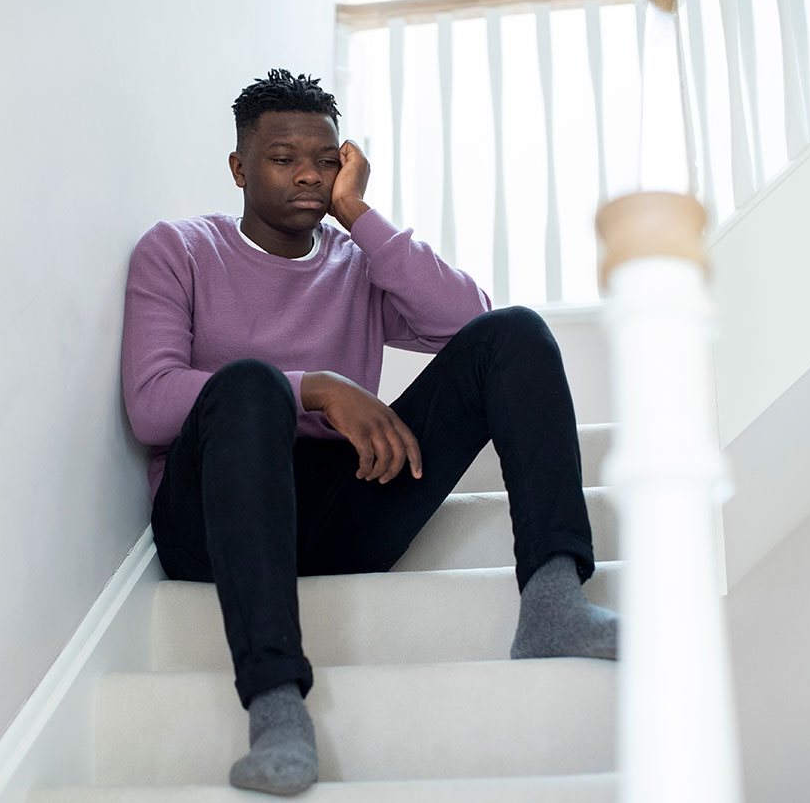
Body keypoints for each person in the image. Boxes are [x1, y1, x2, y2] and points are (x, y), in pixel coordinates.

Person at [121, 68, 617, 797]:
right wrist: (317, 388)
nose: (308, 176)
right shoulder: (179, 250)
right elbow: (151, 402)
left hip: (343, 510)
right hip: (212, 519)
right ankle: (276, 704)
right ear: (239, 168)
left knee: (514, 332)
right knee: (251, 383)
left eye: (326, 161)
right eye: (283, 158)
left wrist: (360, 217)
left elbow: (467, 323)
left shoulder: (358, 262)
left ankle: (552, 603)